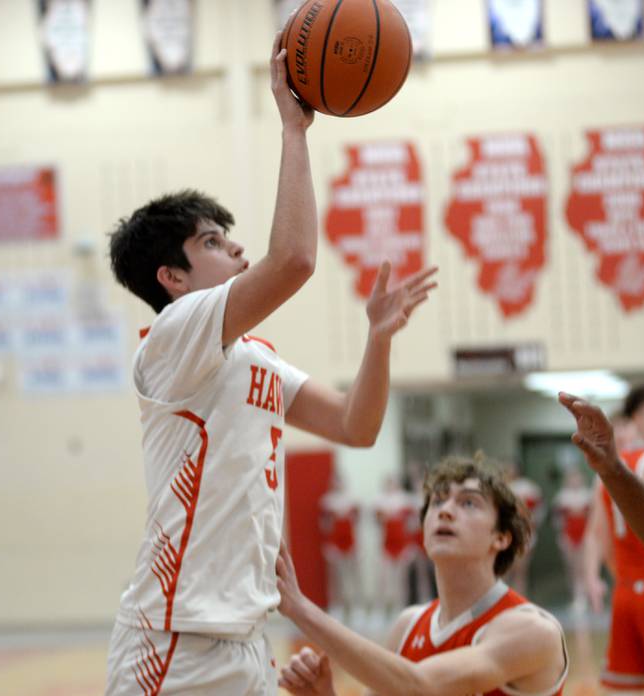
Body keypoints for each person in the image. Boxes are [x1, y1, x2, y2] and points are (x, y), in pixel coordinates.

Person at [103, 30, 438, 696]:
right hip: (174, 644)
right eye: (214, 242)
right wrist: (294, 128)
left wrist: (377, 339)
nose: (238, 251)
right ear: (172, 276)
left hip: (247, 637)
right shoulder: (172, 337)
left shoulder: (249, 357)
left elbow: (355, 425)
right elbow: (295, 261)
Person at [277, 455, 569, 696]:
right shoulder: (407, 626)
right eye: (438, 502)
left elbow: (420, 685)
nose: (446, 511)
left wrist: (300, 609)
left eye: (468, 502)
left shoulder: (530, 630)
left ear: (502, 537)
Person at [560, 387, 644, 694]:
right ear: (639, 418)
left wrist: (595, 578)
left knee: (627, 690)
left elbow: (597, 536)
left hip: (625, 593)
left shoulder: (602, 474)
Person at [371, 473, 423, 621]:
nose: (391, 485)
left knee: (402, 581)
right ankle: (382, 610)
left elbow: (413, 524)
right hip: (387, 545)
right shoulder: (379, 501)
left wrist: (411, 546)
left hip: (403, 546)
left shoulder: (406, 501)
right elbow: (377, 524)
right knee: (383, 580)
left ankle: (402, 610)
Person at [318, 473, 360, 622]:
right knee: (336, 579)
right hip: (334, 545)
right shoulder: (327, 502)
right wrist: (328, 545)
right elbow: (323, 525)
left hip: (349, 543)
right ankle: (337, 607)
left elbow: (356, 523)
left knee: (352, 577)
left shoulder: (352, 500)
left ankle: (354, 608)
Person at [550, 468, 591, 612]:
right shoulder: (561, 497)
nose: (575, 481)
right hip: (568, 535)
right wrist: (563, 535)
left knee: (583, 566)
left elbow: (593, 519)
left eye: (577, 478)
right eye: (572, 478)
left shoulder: (588, 495)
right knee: (572, 567)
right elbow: (556, 519)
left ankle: (585, 597)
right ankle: (576, 596)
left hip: (584, 535)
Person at [505, 462, 545, 597]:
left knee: (521, 570)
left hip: (523, 533)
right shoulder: (502, 487)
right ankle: (505, 601)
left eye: (512, 467)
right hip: (505, 533)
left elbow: (539, 509)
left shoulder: (529, 488)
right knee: (505, 570)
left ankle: (519, 600)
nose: (510, 471)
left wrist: (532, 523)